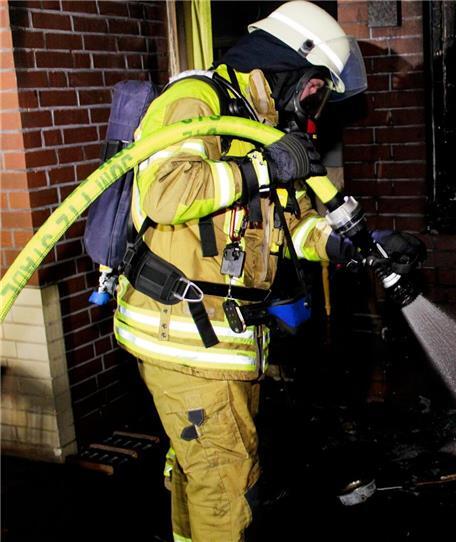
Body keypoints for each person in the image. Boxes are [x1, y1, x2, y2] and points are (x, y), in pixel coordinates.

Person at [111, 2, 381, 540]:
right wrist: (263, 167)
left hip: (223, 340)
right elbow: (165, 193)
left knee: (205, 476)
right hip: (185, 337)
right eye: (314, 89)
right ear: (288, 64)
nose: (314, 104)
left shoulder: (262, 127)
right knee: (226, 486)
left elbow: (294, 227)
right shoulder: (198, 100)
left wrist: (344, 248)